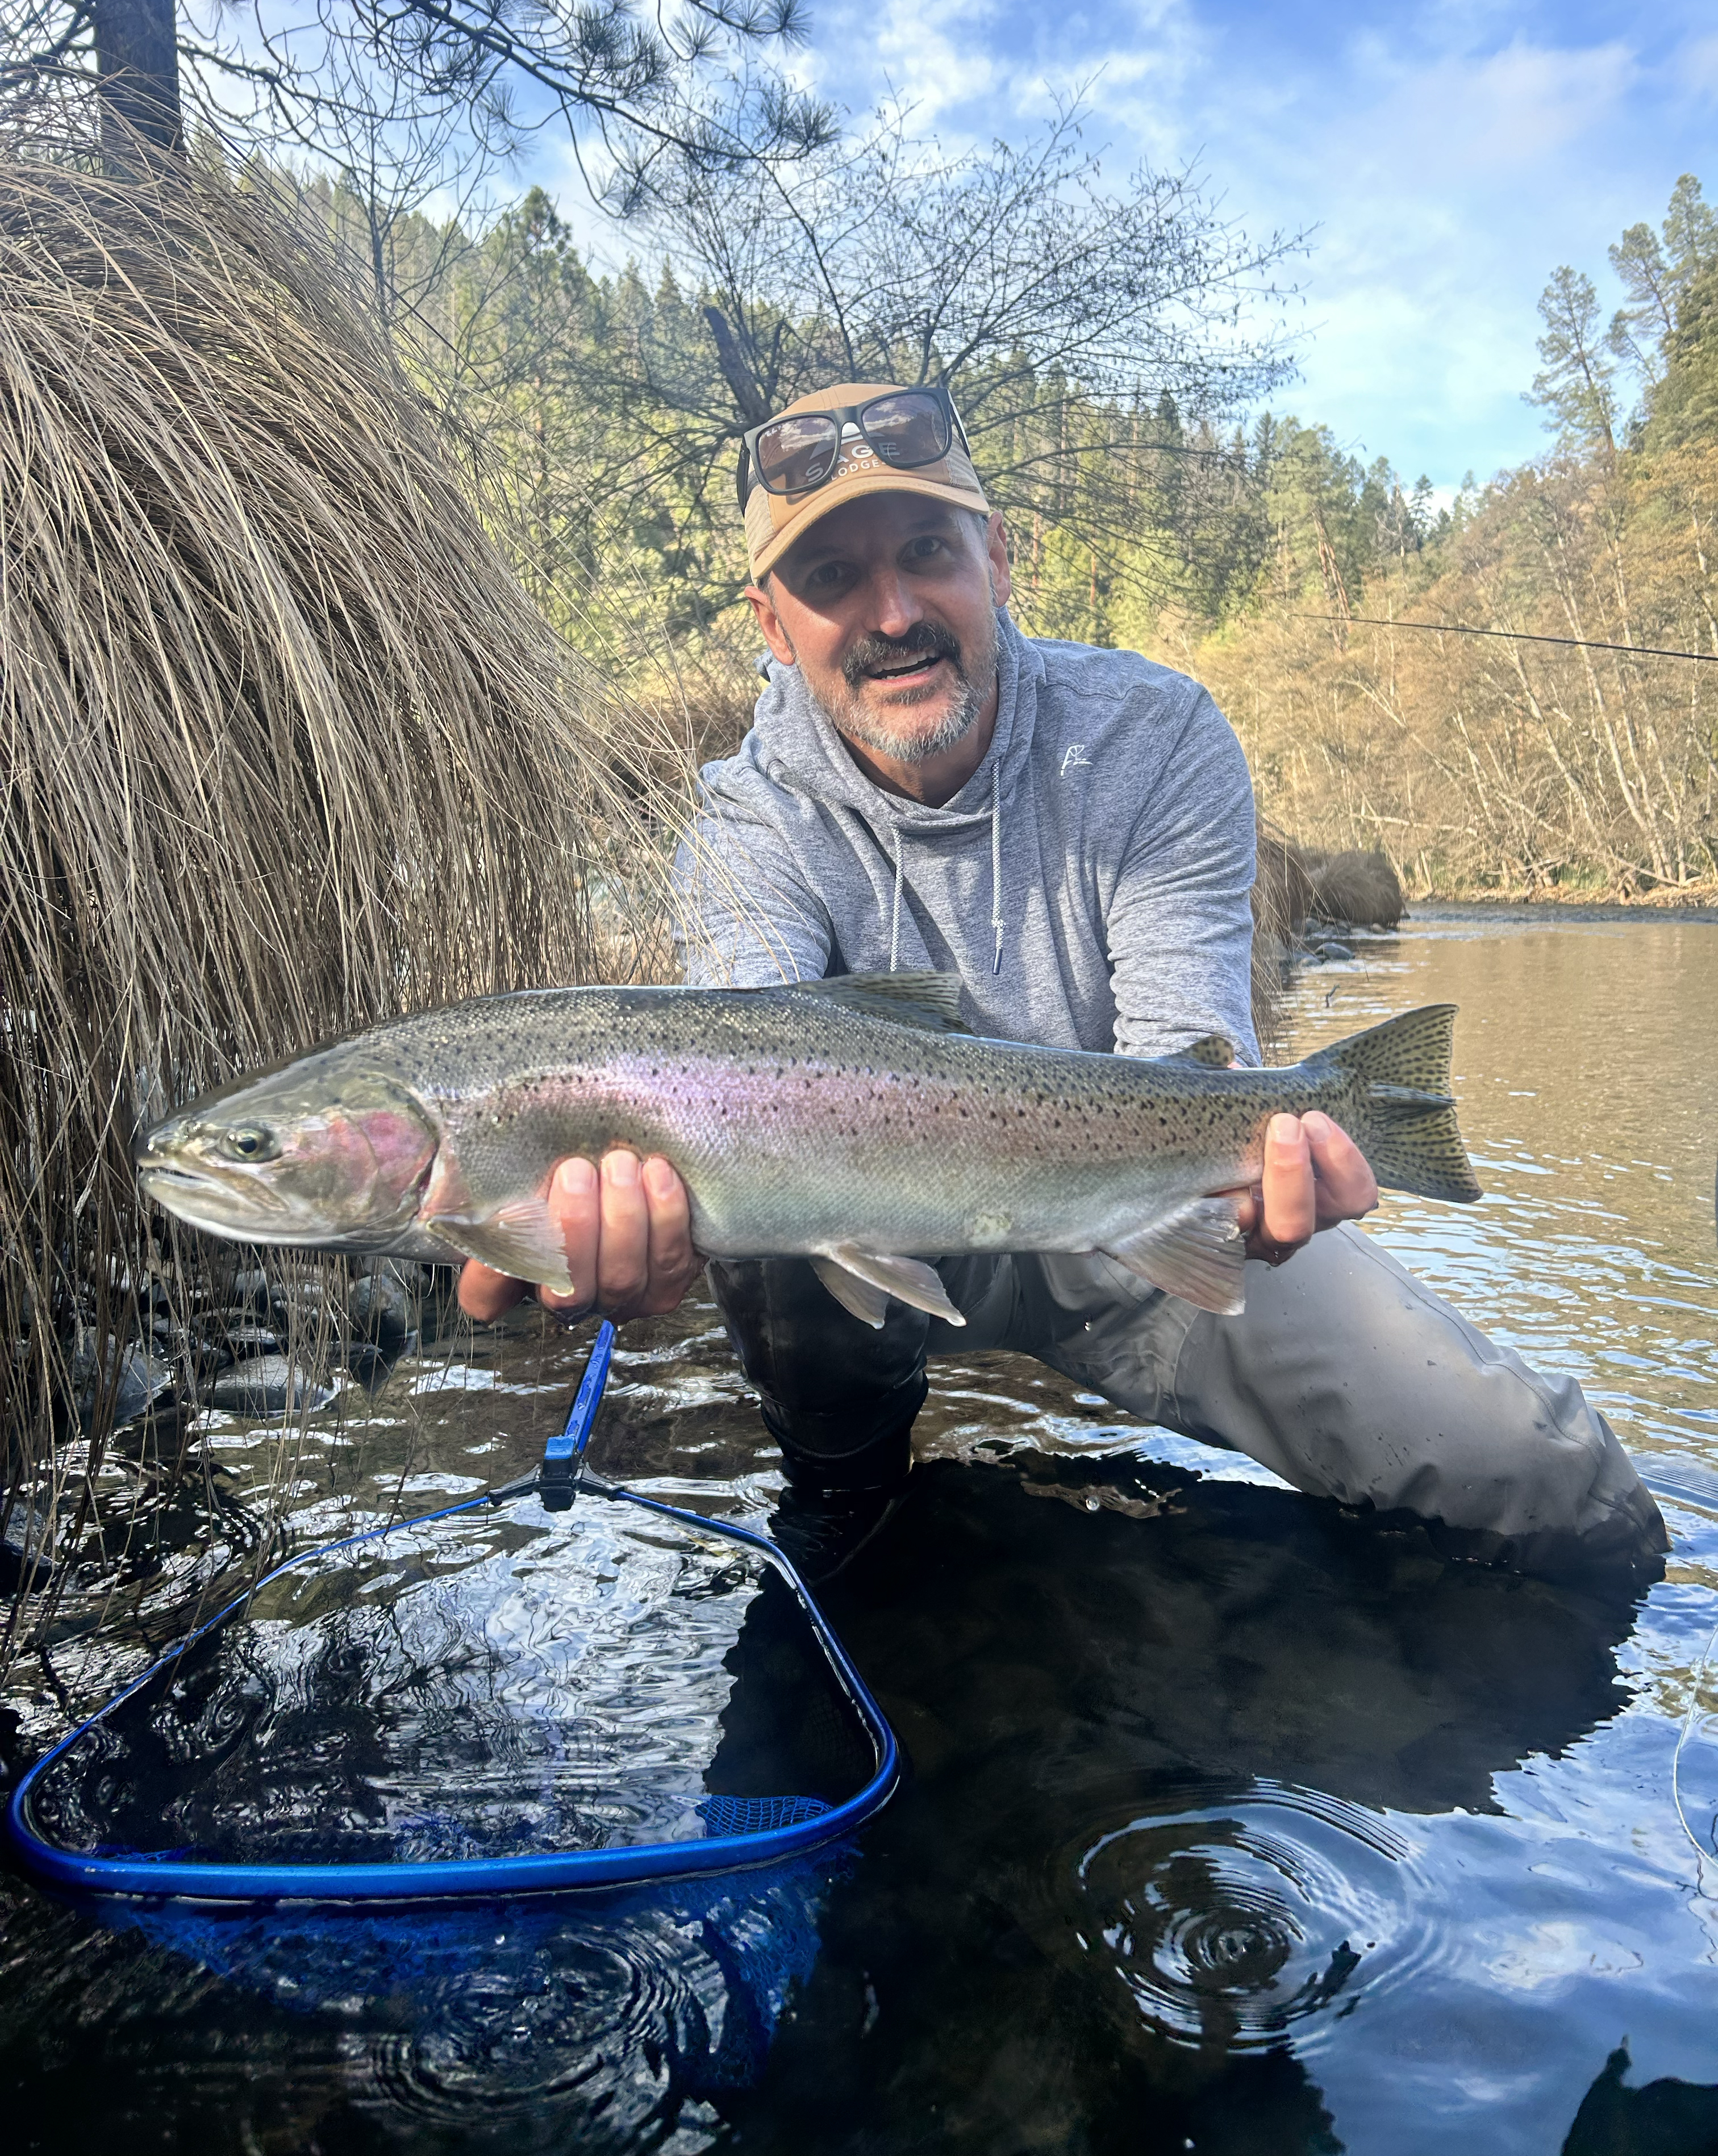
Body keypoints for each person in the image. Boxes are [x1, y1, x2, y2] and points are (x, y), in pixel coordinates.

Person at [460, 380, 1666, 1579]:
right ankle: (846, 1487)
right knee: (758, 1222)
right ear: (773, 627)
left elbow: (1185, 1051)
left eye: (927, 551)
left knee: (1549, 1489)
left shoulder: (1154, 735)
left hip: (1127, 1213)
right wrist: (585, 1214)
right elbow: (730, 1078)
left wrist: (1254, 1164)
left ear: (996, 557)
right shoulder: (743, 820)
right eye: (831, 581)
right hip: (864, 1243)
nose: (892, 612)